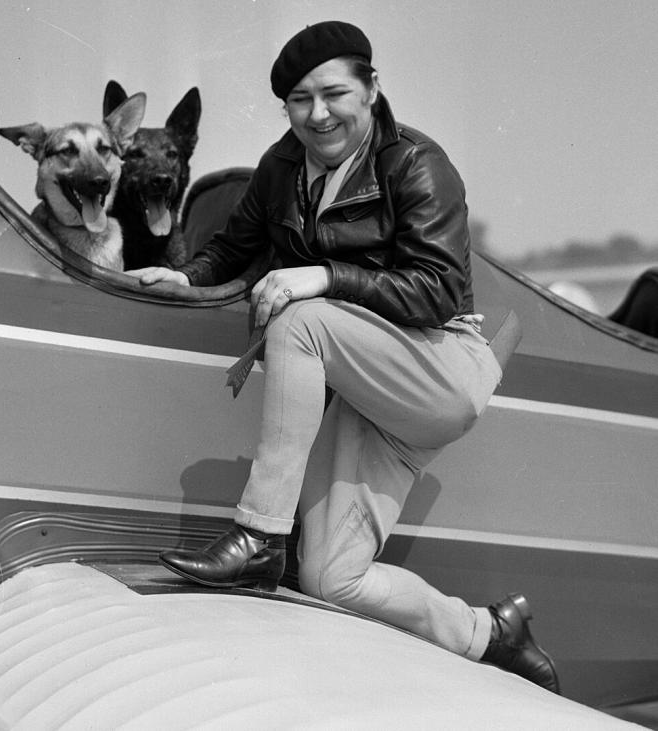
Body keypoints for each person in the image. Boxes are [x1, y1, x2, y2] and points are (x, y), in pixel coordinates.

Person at [126, 20, 559, 693]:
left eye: (334, 93)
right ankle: (487, 631)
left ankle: (259, 537)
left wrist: (324, 275)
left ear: (372, 88)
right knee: (334, 577)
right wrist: (187, 278)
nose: (318, 113)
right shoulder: (281, 168)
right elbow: (232, 251)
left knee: (300, 321)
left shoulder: (417, 163)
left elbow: (439, 288)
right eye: (300, 100)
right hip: (370, 389)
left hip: (441, 365)